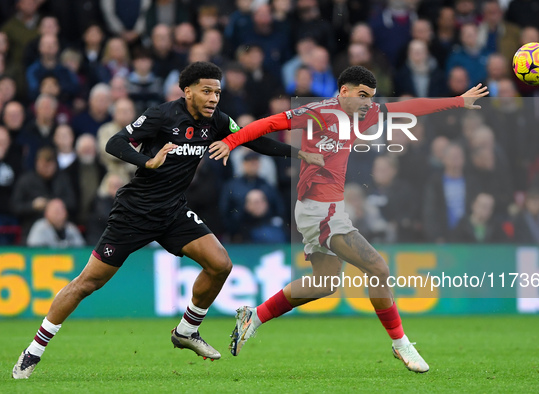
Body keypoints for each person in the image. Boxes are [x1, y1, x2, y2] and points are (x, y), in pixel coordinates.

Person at [12, 61, 323, 379]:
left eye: (217, 91)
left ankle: (187, 330)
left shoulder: (216, 121)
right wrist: (147, 161)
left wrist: (298, 154)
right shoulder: (161, 115)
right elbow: (114, 143)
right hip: (135, 213)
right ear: (187, 91)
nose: (214, 98)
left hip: (173, 211)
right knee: (87, 283)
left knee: (221, 265)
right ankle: (33, 351)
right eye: (206, 91)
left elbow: (250, 139)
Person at [209, 65, 488, 373]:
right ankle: (400, 344)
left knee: (325, 283)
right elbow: (268, 124)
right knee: (378, 268)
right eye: (363, 95)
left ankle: (255, 315)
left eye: (371, 96)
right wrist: (231, 142)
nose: (369, 102)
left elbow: (409, 108)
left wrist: (457, 101)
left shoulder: (365, 114)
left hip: (328, 208)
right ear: (344, 92)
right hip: (319, 210)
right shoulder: (315, 113)